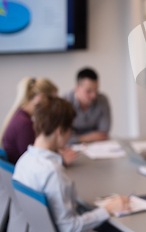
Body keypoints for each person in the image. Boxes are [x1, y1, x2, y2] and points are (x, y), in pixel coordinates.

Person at [13, 97, 129, 232]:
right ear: (60, 131)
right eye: (71, 131)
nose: (70, 136)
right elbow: (69, 227)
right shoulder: (52, 172)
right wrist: (107, 210)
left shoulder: (23, 160)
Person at [1, 77, 77, 165]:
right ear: (41, 98)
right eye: (52, 101)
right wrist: (61, 160)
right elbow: (35, 161)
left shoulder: (21, 115)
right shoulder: (24, 123)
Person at [64, 68, 111, 144]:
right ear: (77, 88)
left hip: (97, 148)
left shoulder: (102, 100)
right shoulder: (65, 102)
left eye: (96, 90)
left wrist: (76, 136)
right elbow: (62, 138)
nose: (94, 95)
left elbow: (102, 134)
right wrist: (87, 138)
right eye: (89, 91)